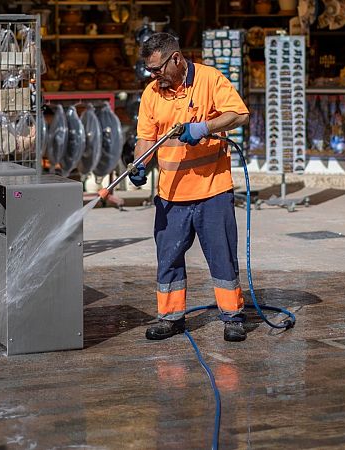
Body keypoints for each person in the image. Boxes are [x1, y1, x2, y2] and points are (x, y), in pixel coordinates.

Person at [131, 33, 250, 342]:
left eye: (157, 69)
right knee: (168, 258)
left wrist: (204, 127)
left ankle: (233, 317)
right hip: (170, 195)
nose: (153, 76)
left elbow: (239, 114)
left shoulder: (210, 79)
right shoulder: (151, 94)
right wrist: (139, 163)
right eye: (149, 71)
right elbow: (145, 137)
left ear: (176, 59)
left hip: (213, 191)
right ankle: (170, 318)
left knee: (222, 256)